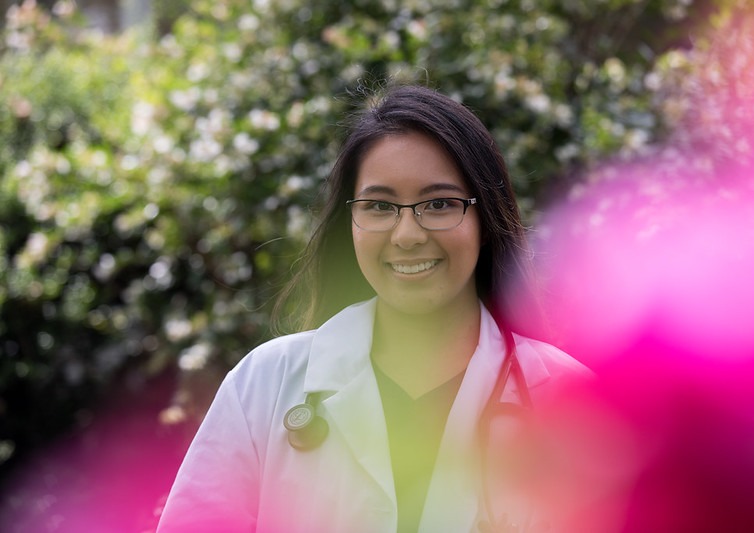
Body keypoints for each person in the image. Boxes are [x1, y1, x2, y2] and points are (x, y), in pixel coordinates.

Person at [156, 84, 590, 533]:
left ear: (485, 219)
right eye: (380, 206)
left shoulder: (571, 402)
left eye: (439, 204)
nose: (407, 234)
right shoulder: (264, 385)